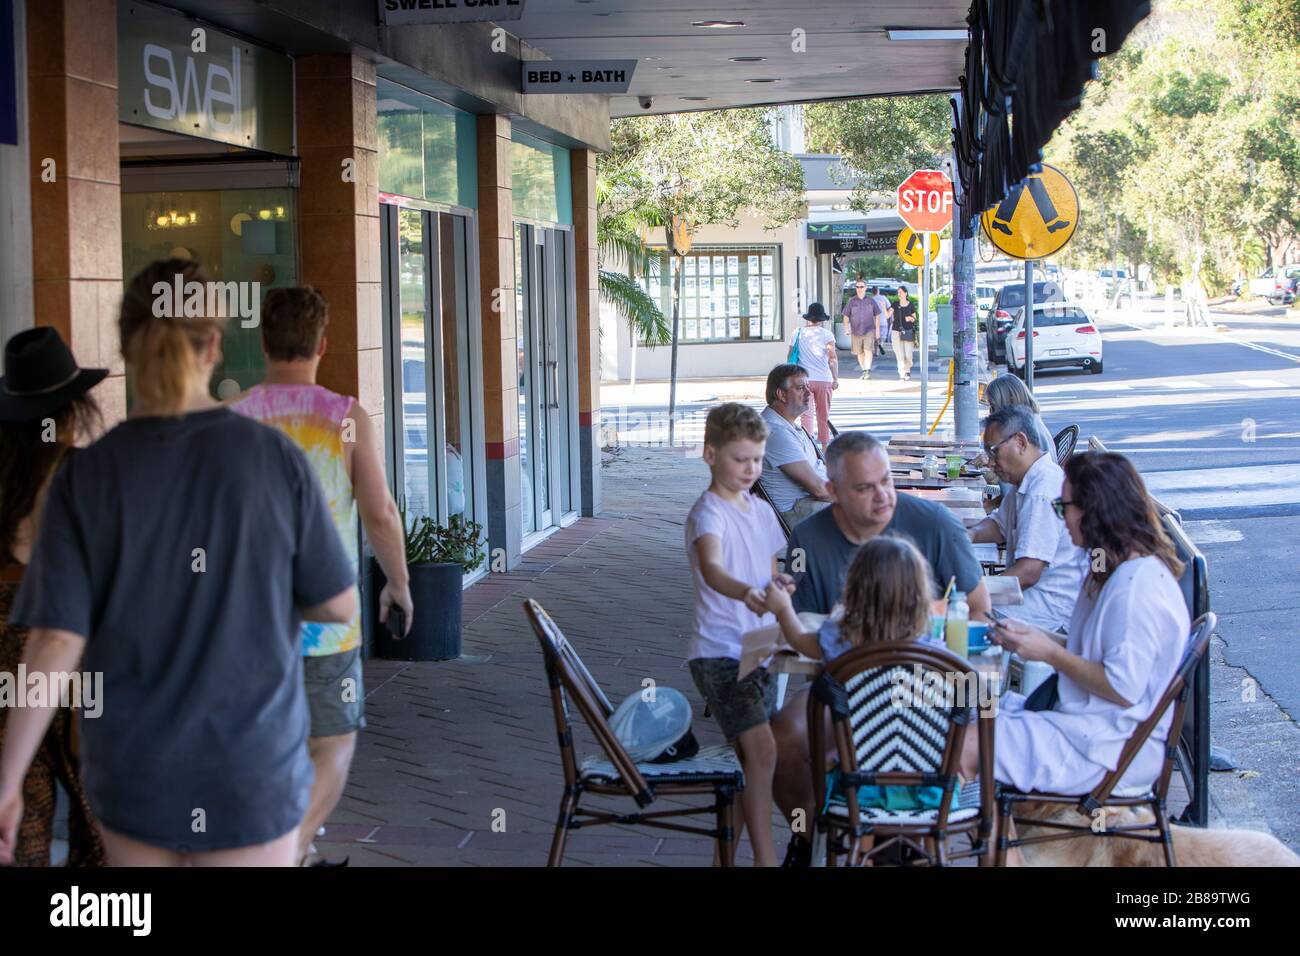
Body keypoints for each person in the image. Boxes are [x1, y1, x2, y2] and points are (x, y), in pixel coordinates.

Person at [0, 259, 357, 867]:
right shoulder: (273, 458)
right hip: (251, 770)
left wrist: (6, 784)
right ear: (214, 345)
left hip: (136, 775)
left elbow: (56, 641)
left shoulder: (86, 477)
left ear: (125, 346)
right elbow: (336, 603)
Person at [232, 286, 413, 867]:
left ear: (262, 342)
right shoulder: (345, 418)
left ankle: (286, 850)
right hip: (326, 622)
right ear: (323, 344)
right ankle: (287, 852)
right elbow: (379, 511)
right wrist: (399, 582)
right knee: (332, 742)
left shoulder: (231, 421)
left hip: (248, 626)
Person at [959, 452, 1191, 863]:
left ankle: (950, 841)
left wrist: (1047, 651)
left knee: (966, 745)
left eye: (1065, 507)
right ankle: (1002, 849)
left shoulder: (1136, 588)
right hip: (1091, 730)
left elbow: (1122, 686)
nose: (1061, 517)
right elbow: (1096, 654)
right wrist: (1038, 638)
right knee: (973, 714)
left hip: (1109, 749)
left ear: (1095, 511)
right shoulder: (1114, 569)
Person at [0, 328, 106, 867]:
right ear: (73, 406)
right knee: (98, 816)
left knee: (21, 818)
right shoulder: (84, 472)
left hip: (3, 642)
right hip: (74, 646)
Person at [767, 535, 936, 864]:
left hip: (854, 783)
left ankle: (817, 844)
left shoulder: (838, 639)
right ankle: (903, 852)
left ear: (854, 589)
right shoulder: (934, 650)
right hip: (925, 790)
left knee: (821, 757)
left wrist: (783, 607)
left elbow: (800, 640)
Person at [685, 403, 793, 867]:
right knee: (763, 750)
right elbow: (712, 569)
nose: (750, 469)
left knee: (749, 764)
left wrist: (779, 585)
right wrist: (747, 590)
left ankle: (723, 860)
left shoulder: (764, 513)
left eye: (757, 459)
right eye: (739, 459)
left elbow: (774, 571)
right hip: (719, 652)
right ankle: (766, 860)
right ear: (710, 454)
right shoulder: (708, 512)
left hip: (760, 648)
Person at [787, 431, 992, 619]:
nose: (882, 495)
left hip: (926, 655)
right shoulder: (804, 540)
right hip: (839, 657)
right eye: (864, 488)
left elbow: (979, 609)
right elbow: (800, 622)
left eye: (886, 480)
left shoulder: (939, 524)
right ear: (833, 492)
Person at [969, 406, 1087, 633]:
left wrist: (973, 593)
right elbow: (998, 524)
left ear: (1021, 442)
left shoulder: (1042, 489)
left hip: (1048, 610)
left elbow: (1028, 572)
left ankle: (978, 669)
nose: (990, 462)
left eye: (994, 452)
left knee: (957, 612)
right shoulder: (1025, 480)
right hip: (1031, 596)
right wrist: (970, 534)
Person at [759, 364, 832, 526]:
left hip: (812, 502)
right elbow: (818, 490)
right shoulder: (776, 433)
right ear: (781, 394)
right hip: (798, 509)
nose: (809, 393)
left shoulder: (787, 426)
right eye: (800, 388)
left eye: (808, 386)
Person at [787, 302, 838, 446]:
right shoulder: (827, 334)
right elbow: (832, 357)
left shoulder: (797, 332)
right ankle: (825, 447)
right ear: (822, 319)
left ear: (808, 318)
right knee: (823, 415)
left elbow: (790, 355)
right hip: (824, 379)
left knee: (806, 414)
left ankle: (809, 447)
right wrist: (835, 378)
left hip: (804, 380)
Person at [840, 280, 880, 380]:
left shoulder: (871, 301)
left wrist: (877, 330)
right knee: (859, 352)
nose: (859, 289)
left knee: (868, 349)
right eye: (857, 287)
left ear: (865, 288)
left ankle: (867, 370)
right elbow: (845, 315)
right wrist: (846, 328)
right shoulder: (852, 301)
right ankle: (864, 370)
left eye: (861, 287)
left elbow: (877, 315)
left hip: (869, 330)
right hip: (856, 330)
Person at [891, 287, 918, 380]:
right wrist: (882, 307)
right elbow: (887, 315)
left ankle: (908, 369)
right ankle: (903, 373)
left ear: (906, 293)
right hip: (896, 331)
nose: (899, 294)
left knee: (908, 354)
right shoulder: (895, 304)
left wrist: (910, 318)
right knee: (899, 354)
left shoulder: (911, 305)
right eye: (898, 292)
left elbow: (915, 319)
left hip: (908, 332)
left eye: (901, 292)